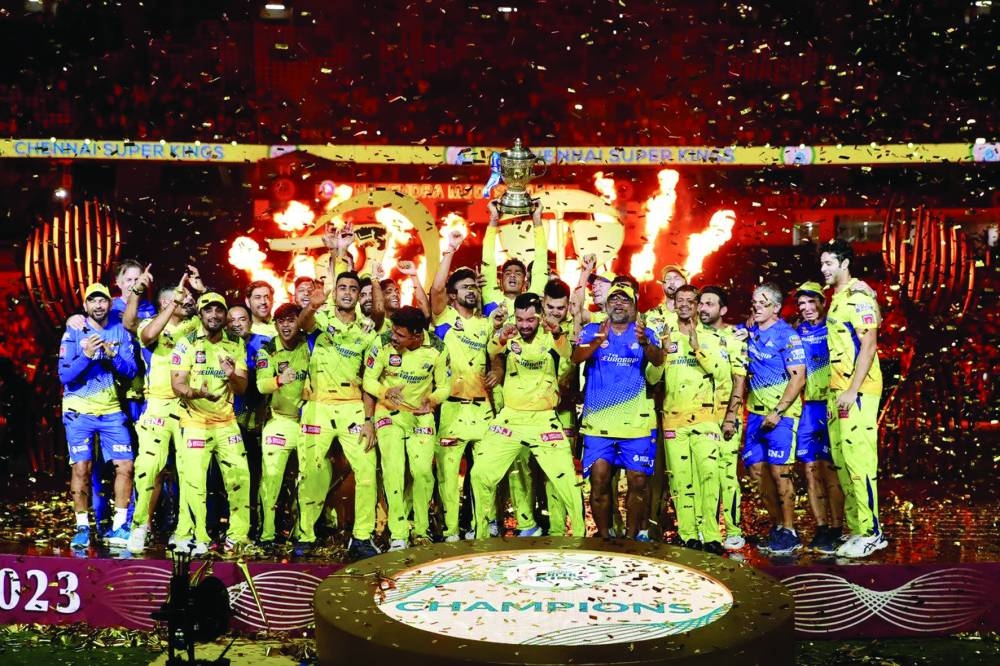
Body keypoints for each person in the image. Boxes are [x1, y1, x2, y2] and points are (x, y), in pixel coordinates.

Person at [470, 293, 585, 539]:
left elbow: (569, 355)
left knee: (566, 479)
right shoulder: (510, 334)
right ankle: (481, 536)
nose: (525, 325)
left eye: (530, 320)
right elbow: (492, 351)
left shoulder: (552, 334)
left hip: (544, 420)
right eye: (521, 319)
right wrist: (501, 336)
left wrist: (556, 333)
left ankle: (579, 537)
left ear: (541, 314)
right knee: (479, 473)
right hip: (511, 418)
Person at [297, 272, 382, 559]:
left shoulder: (368, 331)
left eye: (353, 289)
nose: (347, 292)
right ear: (335, 293)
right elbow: (302, 325)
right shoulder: (320, 320)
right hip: (318, 406)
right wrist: (311, 306)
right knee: (311, 470)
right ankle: (306, 535)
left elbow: (371, 379)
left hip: (352, 406)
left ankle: (361, 536)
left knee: (367, 469)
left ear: (359, 296)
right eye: (342, 287)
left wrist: (370, 421)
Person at [572, 283, 663, 539]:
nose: (619, 304)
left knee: (639, 483)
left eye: (625, 300)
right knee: (599, 482)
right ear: (606, 304)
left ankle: (632, 538)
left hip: (636, 425)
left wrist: (645, 343)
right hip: (598, 424)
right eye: (614, 299)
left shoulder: (645, 332)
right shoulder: (592, 330)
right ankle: (604, 535)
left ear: (634, 306)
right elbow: (575, 358)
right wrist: (597, 342)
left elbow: (658, 360)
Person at [430, 231, 504, 542]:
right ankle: (450, 532)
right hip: (452, 410)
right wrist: (449, 250)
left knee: (483, 474)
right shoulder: (444, 319)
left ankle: (482, 527)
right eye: (464, 287)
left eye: (474, 286)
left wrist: (498, 369)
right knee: (449, 477)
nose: (471, 291)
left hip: (483, 410)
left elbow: (496, 353)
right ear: (452, 295)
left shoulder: (487, 323)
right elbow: (434, 288)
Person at [647, 285, 727, 554]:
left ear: (697, 305)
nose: (683, 305)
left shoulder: (712, 337)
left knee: (709, 475)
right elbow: (652, 378)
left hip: (705, 418)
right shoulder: (664, 335)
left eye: (689, 301)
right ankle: (688, 534)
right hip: (673, 419)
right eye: (679, 300)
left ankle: (711, 535)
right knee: (681, 481)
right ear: (674, 303)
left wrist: (697, 349)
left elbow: (722, 373)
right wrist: (660, 355)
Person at [363, 306, 451, 550]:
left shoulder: (437, 348)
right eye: (393, 331)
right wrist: (384, 392)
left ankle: (421, 530)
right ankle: (398, 533)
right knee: (393, 469)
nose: (394, 337)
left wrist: (431, 400)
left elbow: (445, 386)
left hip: (420, 415)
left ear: (417, 335)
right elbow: (368, 379)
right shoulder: (381, 343)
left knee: (422, 471)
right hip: (388, 412)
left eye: (400, 335)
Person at [170, 292, 251, 555]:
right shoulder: (186, 343)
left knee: (240, 478)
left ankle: (237, 536)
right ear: (201, 314)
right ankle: (200, 537)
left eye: (219, 310)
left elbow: (242, 387)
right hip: (195, 422)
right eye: (208, 310)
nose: (214, 315)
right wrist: (197, 393)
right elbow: (177, 384)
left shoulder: (236, 343)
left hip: (226, 422)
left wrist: (231, 376)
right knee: (195, 483)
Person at [820, 239, 886, 558]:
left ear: (845, 264)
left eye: (829, 263)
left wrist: (852, 390)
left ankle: (873, 532)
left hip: (857, 391)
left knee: (860, 461)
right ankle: (859, 530)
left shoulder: (859, 296)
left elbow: (870, 344)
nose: (824, 269)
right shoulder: (838, 298)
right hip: (839, 391)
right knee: (844, 463)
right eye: (822, 264)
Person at [59, 283, 138, 550]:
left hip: (111, 411)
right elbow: (65, 375)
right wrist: (87, 355)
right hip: (78, 410)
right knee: (81, 468)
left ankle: (120, 527)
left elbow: (130, 371)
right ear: (85, 306)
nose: (98, 305)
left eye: (102, 300)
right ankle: (82, 528)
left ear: (109, 303)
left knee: (125, 466)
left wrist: (113, 355)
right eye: (92, 301)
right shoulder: (74, 330)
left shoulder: (120, 330)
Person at [127, 275, 201, 553]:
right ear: (166, 302)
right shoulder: (149, 324)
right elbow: (147, 337)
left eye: (188, 298)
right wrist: (173, 304)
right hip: (156, 405)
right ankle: (139, 527)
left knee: (188, 470)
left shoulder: (195, 325)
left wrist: (198, 291)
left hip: (189, 405)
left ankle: (185, 530)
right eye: (182, 298)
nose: (188, 302)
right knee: (148, 471)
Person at [739, 283, 806, 555]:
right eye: (754, 301)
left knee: (781, 474)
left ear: (776, 308)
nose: (756, 306)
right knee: (755, 471)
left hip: (783, 415)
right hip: (755, 413)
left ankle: (790, 530)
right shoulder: (750, 331)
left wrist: (778, 411)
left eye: (763, 303)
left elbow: (798, 377)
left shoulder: (787, 336)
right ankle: (778, 526)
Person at [795, 281, 846, 554]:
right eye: (801, 304)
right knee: (810, 469)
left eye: (811, 302)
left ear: (822, 303)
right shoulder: (797, 331)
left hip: (831, 405)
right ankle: (822, 526)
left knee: (830, 469)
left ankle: (838, 528)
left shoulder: (833, 328)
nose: (806, 308)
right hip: (808, 408)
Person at [255, 303, 310, 552]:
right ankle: (266, 533)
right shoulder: (267, 349)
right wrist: (279, 380)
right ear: (275, 324)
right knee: (272, 479)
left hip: (310, 422)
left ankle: (303, 534)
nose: (286, 325)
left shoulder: (310, 345)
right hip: (280, 420)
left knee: (308, 479)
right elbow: (260, 385)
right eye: (281, 321)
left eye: (291, 320)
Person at [698, 286, 749, 551]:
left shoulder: (735, 337)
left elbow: (739, 379)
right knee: (702, 474)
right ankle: (704, 528)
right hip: (699, 418)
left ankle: (733, 530)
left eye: (709, 304)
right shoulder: (691, 334)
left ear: (723, 310)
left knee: (726, 475)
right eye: (701, 303)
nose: (703, 308)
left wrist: (731, 416)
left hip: (727, 417)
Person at [645, 264, 687, 340]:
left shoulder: (696, 314)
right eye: (668, 279)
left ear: (685, 283)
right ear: (663, 285)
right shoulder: (650, 315)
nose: (672, 282)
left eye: (676, 278)